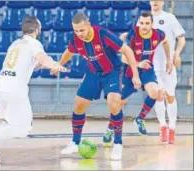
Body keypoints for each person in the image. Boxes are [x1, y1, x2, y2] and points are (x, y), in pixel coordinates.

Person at [0, 16, 69, 165]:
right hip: (15, 88)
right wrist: (54, 65)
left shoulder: (15, 44)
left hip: (0, 86)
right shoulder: (34, 43)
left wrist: (53, 65)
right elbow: (43, 58)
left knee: (9, 123)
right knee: (24, 128)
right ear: (37, 30)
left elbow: (36, 64)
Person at [50, 11, 141, 160]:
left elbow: (128, 51)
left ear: (89, 25)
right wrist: (58, 65)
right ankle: (75, 142)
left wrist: (135, 75)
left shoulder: (103, 35)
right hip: (93, 73)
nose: (79, 33)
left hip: (112, 72)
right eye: (76, 30)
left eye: (82, 30)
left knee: (114, 104)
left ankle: (117, 144)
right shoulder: (76, 40)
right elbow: (69, 51)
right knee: (79, 104)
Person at [103, 12, 173, 146]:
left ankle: (139, 119)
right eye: (142, 23)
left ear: (152, 24)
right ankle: (110, 129)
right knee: (118, 104)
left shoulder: (158, 34)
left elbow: (166, 42)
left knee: (157, 93)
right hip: (129, 72)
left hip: (146, 70)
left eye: (147, 23)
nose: (144, 26)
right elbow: (124, 57)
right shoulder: (132, 35)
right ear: (138, 23)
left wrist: (169, 60)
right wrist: (138, 64)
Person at [120, 1, 186, 144]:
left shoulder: (170, 18)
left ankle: (172, 128)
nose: (155, 2)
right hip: (150, 66)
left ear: (163, 2)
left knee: (170, 96)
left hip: (167, 65)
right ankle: (162, 126)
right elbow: (134, 37)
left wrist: (176, 54)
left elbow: (181, 39)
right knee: (158, 96)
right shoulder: (142, 20)